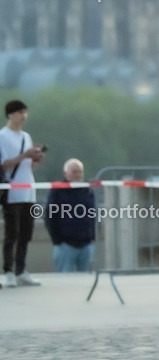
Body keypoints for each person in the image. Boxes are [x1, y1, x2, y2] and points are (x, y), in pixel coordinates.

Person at [1, 100, 45, 287]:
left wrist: (35, 158)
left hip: (28, 189)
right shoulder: (3, 136)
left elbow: (28, 166)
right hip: (12, 191)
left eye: (25, 112)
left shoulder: (26, 136)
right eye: (20, 112)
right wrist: (24, 156)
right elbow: (4, 165)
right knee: (13, 232)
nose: (23, 116)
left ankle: (21, 270)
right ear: (10, 114)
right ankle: (8, 271)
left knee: (27, 232)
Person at [44, 158, 96, 272]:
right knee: (64, 281)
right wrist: (57, 240)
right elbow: (49, 215)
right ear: (66, 174)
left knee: (85, 281)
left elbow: (92, 215)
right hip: (65, 245)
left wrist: (92, 236)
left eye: (80, 172)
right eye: (74, 172)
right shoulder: (57, 190)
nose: (78, 175)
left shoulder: (87, 190)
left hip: (86, 244)